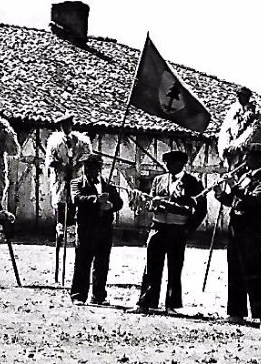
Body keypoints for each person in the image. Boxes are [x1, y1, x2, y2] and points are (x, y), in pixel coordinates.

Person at [214, 143, 261, 328]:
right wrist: (220, 194)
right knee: (234, 268)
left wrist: (234, 186)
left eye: (248, 157)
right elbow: (235, 201)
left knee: (252, 270)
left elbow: (255, 201)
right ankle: (236, 312)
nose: (245, 161)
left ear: (258, 158)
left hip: (250, 227)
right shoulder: (243, 176)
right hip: (235, 226)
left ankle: (260, 315)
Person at [137, 150, 205, 313]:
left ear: (182, 164)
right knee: (151, 266)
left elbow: (201, 209)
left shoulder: (193, 182)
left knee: (175, 267)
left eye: (172, 162)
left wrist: (188, 229)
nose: (168, 165)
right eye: (167, 162)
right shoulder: (159, 180)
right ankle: (147, 302)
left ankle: (172, 305)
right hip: (158, 226)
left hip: (178, 229)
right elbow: (151, 200)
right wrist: (151, 205)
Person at [70, 153, 124, 305]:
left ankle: (99, 296)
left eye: (92, 167)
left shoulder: (108, 185)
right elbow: (77, 198)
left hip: (104, 229)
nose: (88, 170)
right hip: (86, 228)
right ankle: (78, 296)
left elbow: (119, 203)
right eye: (86, 167)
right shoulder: (77, 183)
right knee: (82, 262)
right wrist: (96, 200)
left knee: (102, 263)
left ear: (99, 168)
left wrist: (110, 206)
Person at [45, 112, 93, 239]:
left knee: (74, 201)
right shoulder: (54, 142)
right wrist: (62, 167)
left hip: (76, 175)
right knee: (61, 201)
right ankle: (61, 229)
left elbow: (87, 156)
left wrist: (76, 166)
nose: (66, 128)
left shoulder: (81, 141)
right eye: (63, 125)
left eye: (68, 125)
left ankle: (72, 230)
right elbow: (50, 160)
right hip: (61, 177)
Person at [217, 87, 261, 167]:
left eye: (242, 95)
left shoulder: (259, 114)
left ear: (248, 97)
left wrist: (238, 145)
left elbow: (257, 133)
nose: (239, 98)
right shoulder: (235, 115)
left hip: (251, 156)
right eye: (238, 95)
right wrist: (226, 146)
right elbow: (228, 132)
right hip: (234, 156)